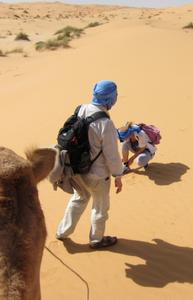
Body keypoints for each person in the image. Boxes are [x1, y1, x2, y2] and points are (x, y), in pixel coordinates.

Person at [56, 80, 124, 249]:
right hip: (98, 175)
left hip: (76, 170)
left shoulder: (81, 109)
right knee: (100, 208)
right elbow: (112, 156)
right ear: (110, 98)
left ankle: (62, 232)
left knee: (79, 199)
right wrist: (118, 175)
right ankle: (96, 239)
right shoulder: (105, 123)